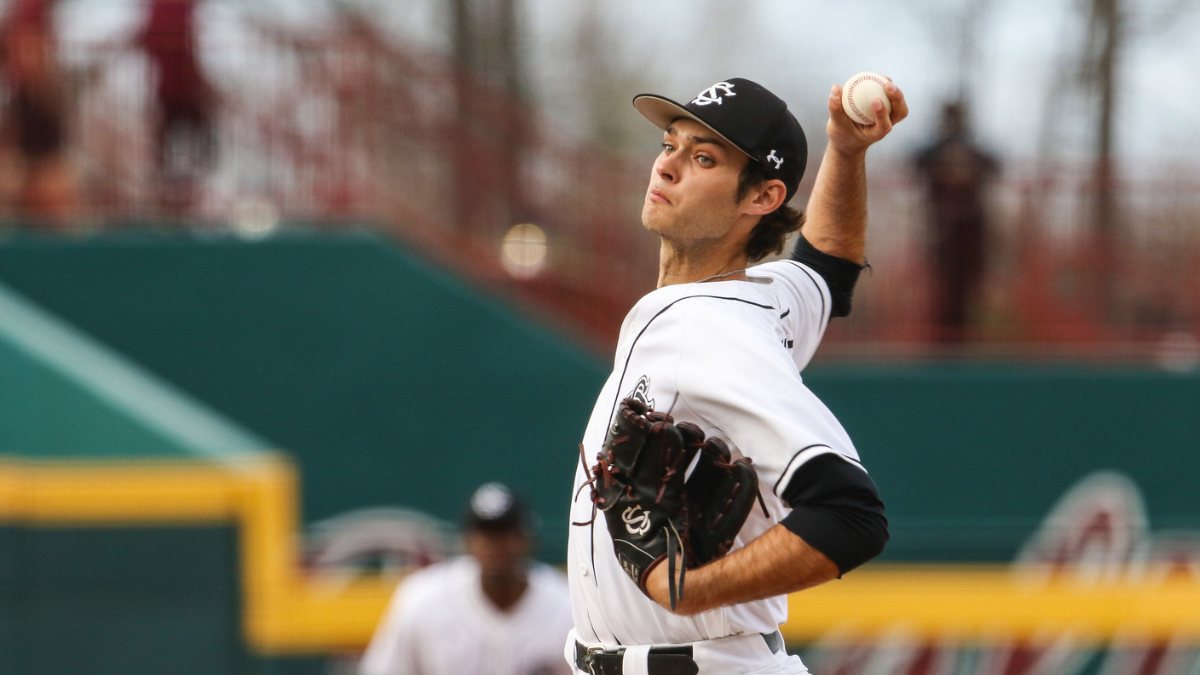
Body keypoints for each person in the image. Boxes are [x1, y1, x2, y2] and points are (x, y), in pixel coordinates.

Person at [566, 77, 907, 675]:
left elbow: (849, 514)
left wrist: (691, 591)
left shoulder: (710, 331)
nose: (667, 167)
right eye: (670, 144)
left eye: (703, 158)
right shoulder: (761, 298)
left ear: (763, 197)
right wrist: (847, 153)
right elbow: (828, 269)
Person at [361, 482, 574, 675]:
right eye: (484, 533)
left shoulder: (566, 605)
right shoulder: (422, 598)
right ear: (466, 540)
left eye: (504, 533)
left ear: (527, 540)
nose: (493, 544)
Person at [914, 101, 998, 342]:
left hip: (971, 229)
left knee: (969, 288)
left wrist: (966, 163)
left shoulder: (973, 148)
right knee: (940, 288)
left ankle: (965, 340)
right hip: (941, 227)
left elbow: (995, 165)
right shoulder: (935, 148)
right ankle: (942, 340)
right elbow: (917, 162)